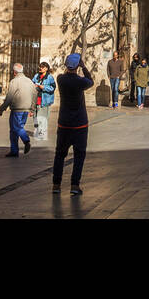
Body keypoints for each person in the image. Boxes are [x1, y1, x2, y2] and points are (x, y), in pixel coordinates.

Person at [52, 53, 94, 194]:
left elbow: (66, 74)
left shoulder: (61, 79)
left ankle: (56, 185)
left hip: (64, 123)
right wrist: (83, 66)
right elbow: (90, 81)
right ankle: (74, 185)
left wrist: (72, 66)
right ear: (77, 66)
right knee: (79, 155)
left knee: (59, 154)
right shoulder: (81, 82)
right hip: (80, 123)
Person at [0, 62, 37, 156]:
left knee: (17, 127)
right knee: (13, 130)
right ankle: (14, 151)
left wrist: (2, 108)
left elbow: (10, 96)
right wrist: (32, 108)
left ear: (14, 72)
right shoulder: (29, 81)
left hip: (17, 109)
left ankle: (26, 141)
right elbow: (35, 94)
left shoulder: (14, 81)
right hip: (26, 109)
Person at [33, 61, 57, 140]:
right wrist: (34, 85)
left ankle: (41, 133)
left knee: (42, 117)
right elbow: (32, 83)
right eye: (40, 66)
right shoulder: (36, 76)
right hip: (36, 99)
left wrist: (44, 87)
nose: (40, 68)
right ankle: (39, 131)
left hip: (45, 100)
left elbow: (53, 88)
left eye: (42, 67)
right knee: (35, 117)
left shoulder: (50, 77)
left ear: (46, 68)